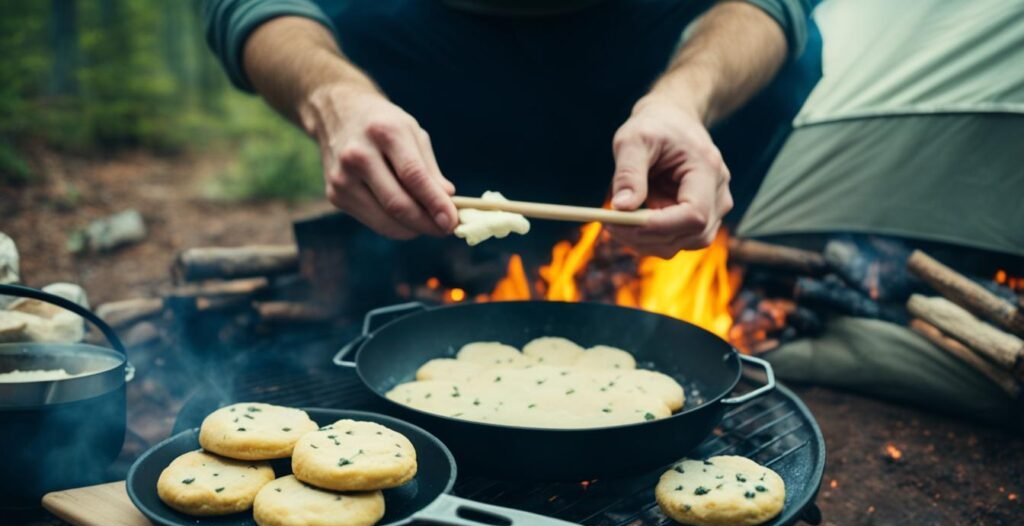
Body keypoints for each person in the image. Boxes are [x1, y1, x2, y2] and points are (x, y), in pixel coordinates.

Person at [204, 0, 820, 258]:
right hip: (421, 48)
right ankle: (434, 268)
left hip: (652, 38)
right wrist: (332, 98)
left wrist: (686, 98)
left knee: (798, 54)